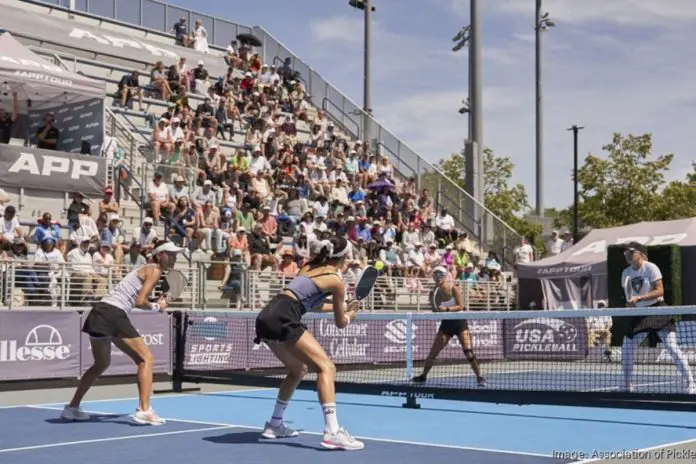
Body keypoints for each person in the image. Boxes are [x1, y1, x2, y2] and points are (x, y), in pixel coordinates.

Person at [254, 236, 364, 451]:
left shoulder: (308, 267)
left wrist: (340, 304)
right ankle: (332, 432)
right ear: (344, 258)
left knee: (298, 369)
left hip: (266, 316)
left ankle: (274, 424)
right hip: (285, 317)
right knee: (327, 368)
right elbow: (341, 323)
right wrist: (351, 313)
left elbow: (309, 304)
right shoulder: (335, 281)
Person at [60, 238, 185, 424]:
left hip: (98, 312)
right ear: (160, 255)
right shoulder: (154, 270)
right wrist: (156, 307)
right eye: (171, 253)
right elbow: (140, 302)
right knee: (145, 359)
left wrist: (157, 303)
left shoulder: (144, 268)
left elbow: (136, 298)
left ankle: (72, 408)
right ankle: (144, 410)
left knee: (100, 364)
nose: (175, 257)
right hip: (113, 313)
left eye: (176, 254)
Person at [619, 242, 696, 393]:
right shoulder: (626, 273)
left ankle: (691, 383)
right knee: (627, 347)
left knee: (671, 347)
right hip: (640, 314)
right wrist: (631, 303)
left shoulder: (651, 267)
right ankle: (627, 385)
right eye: (626, 253)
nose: (628, 255)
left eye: (631, 252)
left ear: (639, 254)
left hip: (658, 310)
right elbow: (629, 297)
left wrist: (639, 298)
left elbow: (660, 291)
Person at [412, 266, 486, 387]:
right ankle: (423, 376)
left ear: (445, 276)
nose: (437, 278)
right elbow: (435, 311)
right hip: (446, 324)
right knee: (433, 352)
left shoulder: (454, 288)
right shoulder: (434, 292)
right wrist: (434, 304)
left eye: (439, 275)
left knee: (468, 351)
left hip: (459, 322)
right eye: (435, 276)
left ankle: (480, 377)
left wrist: (447, 309)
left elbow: (461, 306)